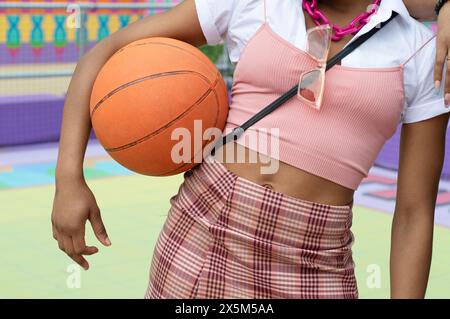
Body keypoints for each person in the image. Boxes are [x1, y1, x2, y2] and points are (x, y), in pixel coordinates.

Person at [51, 0, 450, 299]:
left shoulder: (421, 50)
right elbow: (102, 54)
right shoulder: (251, 2)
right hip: (205, 228)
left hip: (315, 259)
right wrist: (68, 178)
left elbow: (414, 212)